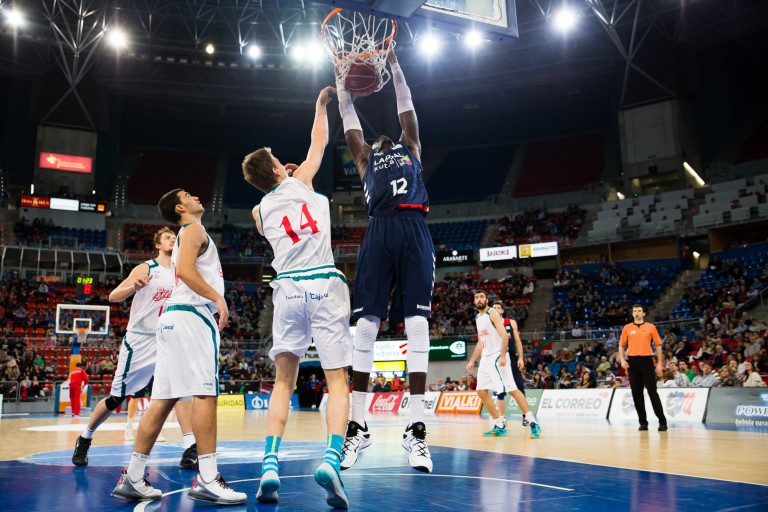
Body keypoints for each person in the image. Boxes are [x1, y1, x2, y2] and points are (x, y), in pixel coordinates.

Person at [242, 85, 352, 508]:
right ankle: (331, 458)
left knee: (283, 382)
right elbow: (319, 143)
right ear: (275, 168)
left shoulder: (259, 210)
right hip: (323, 281)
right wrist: (320, 105)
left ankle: (270, 462)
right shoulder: (302, 179)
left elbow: (268, 208)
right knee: (337, 381)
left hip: (286, 289)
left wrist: (282, 181)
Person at [110, 190, 246, 505]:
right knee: (205, 393)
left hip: (170, 319)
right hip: (192, 316)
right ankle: (209, 479)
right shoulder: (193, 229)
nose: (197, 196)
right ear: (180, 207)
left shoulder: (187, 233)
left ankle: (133, 476)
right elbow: (185, 271)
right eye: (188, 195)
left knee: (163, 399)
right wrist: (217, 296)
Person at [336, 48, 434, 472]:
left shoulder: (410, 146)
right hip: (379, 230)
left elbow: (407, 107)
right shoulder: (364, 158)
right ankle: (357, 426)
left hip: (414, 229)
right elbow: (350, 124)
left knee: (416, 324)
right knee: (365, 326)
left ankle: (416, 429)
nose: (382, 138)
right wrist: (342, 85)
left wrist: (395, 66)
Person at [72, 228, 196, 468]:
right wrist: (133, 287)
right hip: (140, 339)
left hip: (169, 338)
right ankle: (85, 438)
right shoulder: (146, 268)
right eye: (168, 238)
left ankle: (190, 447)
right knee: (117, 397)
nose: (173, 240)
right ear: (158, 244)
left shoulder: (183, 272)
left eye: (175, 238)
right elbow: (113, 296)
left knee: (181, 390)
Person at [466, 290, 541, 439]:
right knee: (481, 391)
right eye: (476, 297)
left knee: (512, 389)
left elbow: (504, 336)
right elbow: (481, 341)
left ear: (486, 300)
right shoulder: (478, 317)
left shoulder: (492, 313)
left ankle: (533, 422)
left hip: (497, 357)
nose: (479, 299)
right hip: (486, 358)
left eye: (482, 296)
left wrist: (502, 356)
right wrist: (472, 360)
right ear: (474, 302)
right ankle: (499, 424)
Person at [619, 304, 668, 432]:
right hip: (632, 362)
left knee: (652, 392)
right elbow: (621, 345)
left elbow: (658, 345)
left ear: (643, 313)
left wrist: (659, 364)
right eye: (634, 311)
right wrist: (623, 360)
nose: (637, 313)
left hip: (647, 361)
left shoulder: (651, 327)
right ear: (632, 313)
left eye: (639, 311)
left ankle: (662, 421)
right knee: (637, 394)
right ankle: (643, 422)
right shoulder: (627, 328)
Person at [492, 301, 529, 427]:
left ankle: (526, 417)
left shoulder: (510, 323)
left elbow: (518, 342)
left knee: (519, 386)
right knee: (499, 390)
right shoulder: (488, 324)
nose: (496, 309)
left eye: (498, 308)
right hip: (497, 359)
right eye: (494, 308)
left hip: (511, 358)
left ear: (502, 311)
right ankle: (501, 419)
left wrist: (521, 358)